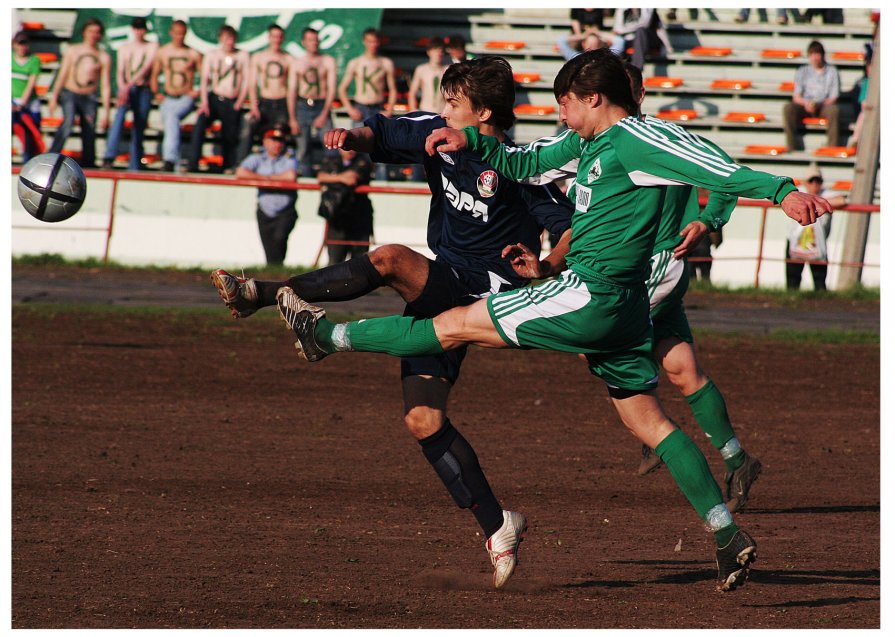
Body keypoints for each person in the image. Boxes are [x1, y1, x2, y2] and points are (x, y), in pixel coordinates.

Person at [273, 49, 832, 591]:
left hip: (591, 295)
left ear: (593, 98)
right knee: (649, 422)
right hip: (623, 310)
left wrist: (783, 192)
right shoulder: (583, 142)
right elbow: (527, 161)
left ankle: (326, 335)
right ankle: (726, 535)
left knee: (453, 324)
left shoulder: (642, 139)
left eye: (566, 103)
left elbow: (718, 167)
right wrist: (469, 141)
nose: (559, 114)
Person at [211, 55, 574, 590]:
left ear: (485, 114)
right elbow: (383, 132)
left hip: (489, 290)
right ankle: (499, 526)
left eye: (454, 104)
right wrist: (350, 136)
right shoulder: (435, 133)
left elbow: (569, 228)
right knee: (423, 421)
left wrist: (545, 266)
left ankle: (261, 294)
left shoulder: (522, 165)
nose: (444, 110)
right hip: (444, 285)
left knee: (389, 258)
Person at [620, 64, 761, 513]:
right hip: (635, 267)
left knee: (598, 336)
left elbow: (727, 176)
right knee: (682, 370)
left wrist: (707, 219)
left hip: (660, 264)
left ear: (639, 94)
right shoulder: (596, 143)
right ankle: (738, 459)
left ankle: (651, 430)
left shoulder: (668, 138)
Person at [47, 17, 112, 168]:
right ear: (84, 33)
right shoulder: (73, 50)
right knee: (68, 123)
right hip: (71, 92)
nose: (93, 35)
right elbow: (63, 73)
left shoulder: (103, 56)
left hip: (89, 96)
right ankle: (51, 157)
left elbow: (106, 84)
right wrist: (54, 96)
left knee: (89, 129)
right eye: (90, 31)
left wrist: (107, 112)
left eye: (97, 32)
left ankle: (89, 163)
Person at [187, 24, 249, 173]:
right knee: (200, 124)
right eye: (227, 38)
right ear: (221, 39)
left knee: (230, 134)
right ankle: (193, 163)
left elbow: (246, 79)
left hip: (231, 99)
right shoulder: (212, 55)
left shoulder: (242, 56)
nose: (229, 42)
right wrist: (204, 102)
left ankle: (228, 165)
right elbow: (204, 80)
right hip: (214, 97)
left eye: (232, 38)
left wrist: (240, 100)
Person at [235, 124, 299, 265]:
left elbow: (290, 176)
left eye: (280, 140)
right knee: (269, 247)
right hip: (265, 209)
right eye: (273, 140)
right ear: (265, 141)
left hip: (285, 210)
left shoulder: (289, 156)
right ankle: (274, 273)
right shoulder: (257, 157)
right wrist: (271, 179)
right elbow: (240, 172)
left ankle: (278, 271)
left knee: (280, 238)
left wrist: (263, 178)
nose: (277, 144)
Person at [338, 28, 396, 181]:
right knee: (357, 147)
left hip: (377, 108)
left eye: (375, 41)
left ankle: (381, 184)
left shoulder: (385, 63)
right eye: (370, 41)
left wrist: (389, 109)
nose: (373, 45)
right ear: (365, 42)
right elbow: (342, 89)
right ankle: (361, 180)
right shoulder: (356, 63)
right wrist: (350, 109)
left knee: (382, 149)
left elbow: (393, 89)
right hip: (361, 108)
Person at [101, 16, 158, 170]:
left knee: (139, 125)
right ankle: (109, 156)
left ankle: (135, 162)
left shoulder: (151, 46)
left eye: (141, 28)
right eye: (136, 28)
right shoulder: (125, 47)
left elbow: (146, 67)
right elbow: (120, 70)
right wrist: (123, 88)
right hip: (127, 88)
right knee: (119, 119)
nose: (139, 32)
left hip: (142, 88)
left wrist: (127, 86)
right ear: (132, 30)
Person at [150, 19, 202, 172]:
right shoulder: (163, 52)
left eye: (182, 33)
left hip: (185, 98)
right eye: (177, 33)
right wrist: (157, 93)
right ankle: (176, 167)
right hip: (168, 97)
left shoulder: (193, 54)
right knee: (172, 127)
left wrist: (196, 91)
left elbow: (205, 76)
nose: (179, 37)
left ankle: (169, 160)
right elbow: (154, 75)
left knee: (172, 118)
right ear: (171, 33)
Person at [237, 24, 293, 164]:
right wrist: (254, 105)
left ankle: (284, 165)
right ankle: (241, 164)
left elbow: (292, 88)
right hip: (264, 102)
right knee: (248, 125)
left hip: (282, 102)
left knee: (283, 133)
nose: (277, 40)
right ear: (268, 37)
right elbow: (252, 83)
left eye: (279, 36)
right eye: (274, 36)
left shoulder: (288, 59)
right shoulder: (259, 57)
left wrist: (292, 115)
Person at [288, 27, 338, 177]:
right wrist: (292, 118)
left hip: (321, 104)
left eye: (316, 39)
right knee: (303, 147)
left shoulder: (327, 61)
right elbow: (291, 91)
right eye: (310, 40)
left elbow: (331, 89)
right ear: (304, 42)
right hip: (302, 105)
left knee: (331, 144)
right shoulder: (297, 63)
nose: (314, 43)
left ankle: (332, 176)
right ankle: (306, 179)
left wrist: (324, 113)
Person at [785, 168, 846, 291]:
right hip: (796, 241)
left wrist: (813, 200)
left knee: (819, 280)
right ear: (805, 182)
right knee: (793, 279)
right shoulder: (797, 191)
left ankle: (820, 303)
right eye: (811, 180)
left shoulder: (826, 193)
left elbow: (841, 200)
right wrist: (819, 202)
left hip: (817, 243)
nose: (815, 184)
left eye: (818, 181)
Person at [317, 147, 375, 263]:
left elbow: (352, 178)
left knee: (359, 263)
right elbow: (320, 176)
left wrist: (333, 179)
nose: (350, 150)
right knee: (335, 261)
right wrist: (342, 178)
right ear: (339, 149)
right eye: (346, 147)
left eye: (353, 146)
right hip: (337, 217)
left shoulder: (363, 161)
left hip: (359, 217)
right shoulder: (331, 160)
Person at [783, 40, 840, 152]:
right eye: (812, 54)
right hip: (805, 105)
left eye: (817, 54)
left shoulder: (832, 71)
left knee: (834, 110)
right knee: (788, 108)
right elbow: (796, 96)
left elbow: (834, 96)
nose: (815, 58)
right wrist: (806, 103)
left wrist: (819, 104)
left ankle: (832, 148)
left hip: (824, 105)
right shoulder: (802, 71)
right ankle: (791, 146)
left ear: (822, 55)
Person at [12, 31, 45, 162]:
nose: (22, 47)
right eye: (20, 44)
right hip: (12, 101)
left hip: (27, 103)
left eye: (25, 44)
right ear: (14, 44)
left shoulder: (34, 61)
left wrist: (22, 103)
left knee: (30, 134)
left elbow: (31, 83)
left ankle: (29, 160)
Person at [408, 38, 448, 114]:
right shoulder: (421, 69)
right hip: (425, 111)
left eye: (441, 50)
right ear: (429, 52)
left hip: (442, 113)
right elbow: (412, 93)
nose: (439, 53)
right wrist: (413, 110)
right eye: (435, 50)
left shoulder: (448, 69)